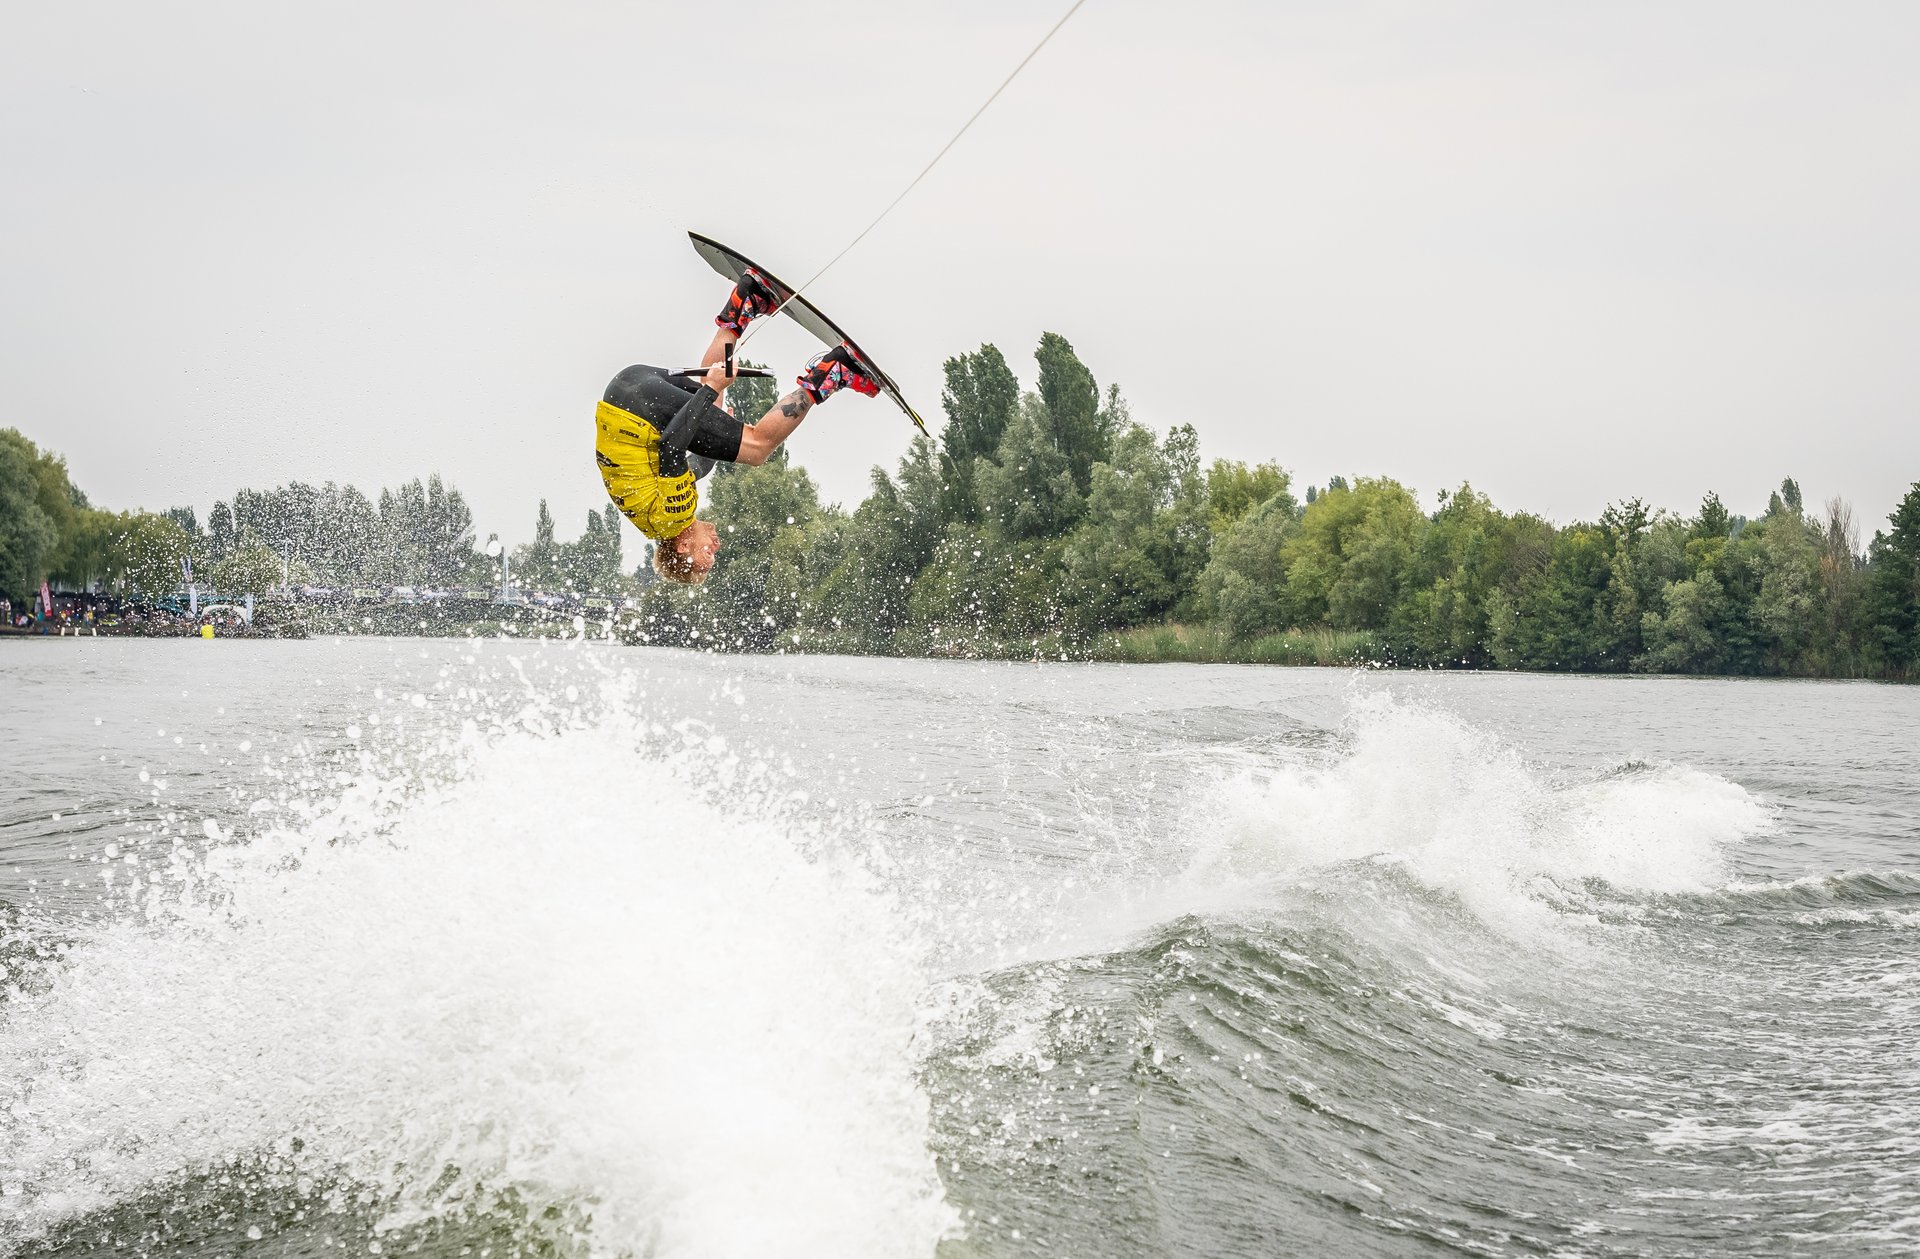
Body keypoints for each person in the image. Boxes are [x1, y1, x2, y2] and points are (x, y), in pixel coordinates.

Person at [594, 272, 880, 585]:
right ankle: (746, 298)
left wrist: (708, 394)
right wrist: (716, 423)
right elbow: (693, 466)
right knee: (713, 405)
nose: (715, 549)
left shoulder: (673, 518)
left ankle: (833, 372)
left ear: (683, 546)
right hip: (625, 387)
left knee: (756, 449)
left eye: (707, 558)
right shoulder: (657, 519)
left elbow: (671, 447)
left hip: (642, 410)